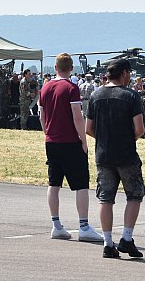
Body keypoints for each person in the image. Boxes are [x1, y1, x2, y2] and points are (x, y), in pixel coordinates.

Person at [37, 53, 101, 244]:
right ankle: (83, 226)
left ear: (55, 68)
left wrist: (47, 133)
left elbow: (42, 116)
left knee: (53, 183)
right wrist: (83, 140)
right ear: (71, 69)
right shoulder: (71, 88)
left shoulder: (45, 88)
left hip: (51, 140)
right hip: (70, 141)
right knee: (81, 184)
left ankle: (56, 224)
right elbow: (77, 116)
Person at [86, 58, 145, 259]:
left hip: (103, 154)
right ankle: (127, 238)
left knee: (106, 198)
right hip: (126, 154)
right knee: (134, 194)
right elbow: (139, 129)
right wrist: (130, 138)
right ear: (125, 74)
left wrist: (105, 138)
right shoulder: (131, 96)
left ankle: (107, 242)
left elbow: (89, 129)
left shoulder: (96, 95)